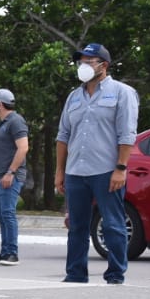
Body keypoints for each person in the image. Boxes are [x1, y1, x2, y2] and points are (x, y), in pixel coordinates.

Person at [55, 43, 139, 285]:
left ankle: (115, 275)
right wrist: (60, 171)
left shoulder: (122, 93)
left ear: (104, 65)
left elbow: (127, 136)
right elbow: (63, 136)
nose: (84, 65)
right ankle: (75, 274)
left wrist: (121, 168)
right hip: (75, 171)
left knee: (112, 224)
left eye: (89, 61)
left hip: (106, 171)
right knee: (76, 226)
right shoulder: (74, 96)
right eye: (81, 61)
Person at [0, 89, 29, 265]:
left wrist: (11, 172)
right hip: (1, 176)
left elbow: (23, 148)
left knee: (8, 214)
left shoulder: (15, 121)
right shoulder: (3, 123)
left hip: (11, 176)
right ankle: (5, 252)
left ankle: (12, 253)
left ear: (0, 104)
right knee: (2, 215)